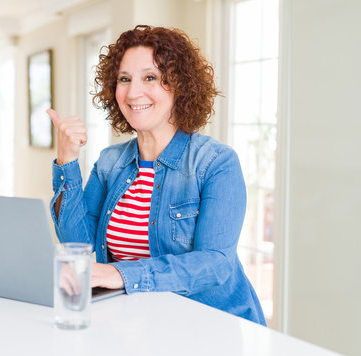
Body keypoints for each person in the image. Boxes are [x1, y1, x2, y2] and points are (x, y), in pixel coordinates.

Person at [47, 25, 266, 325]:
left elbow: (214, 264)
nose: (133, 92)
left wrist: (120, 273)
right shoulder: (110, 163)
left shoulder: (216, 162)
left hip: (214, 326)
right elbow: (77, 246)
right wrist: (67, 160)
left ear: (180, 85)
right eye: (125, 79)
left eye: (150, 77)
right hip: (139, 325)